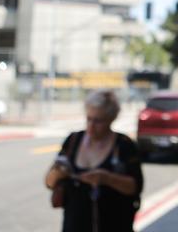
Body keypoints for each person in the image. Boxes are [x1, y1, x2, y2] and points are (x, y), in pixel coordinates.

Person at [46, 90, 144, 232]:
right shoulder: (73, 141)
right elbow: (49, 182)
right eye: (89, 119)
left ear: (111, 119)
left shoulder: (124, 145)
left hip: (115, 223)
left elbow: (135, 187)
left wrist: (106, 178)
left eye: (98, 121)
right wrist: (59, 173)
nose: (91, 126)